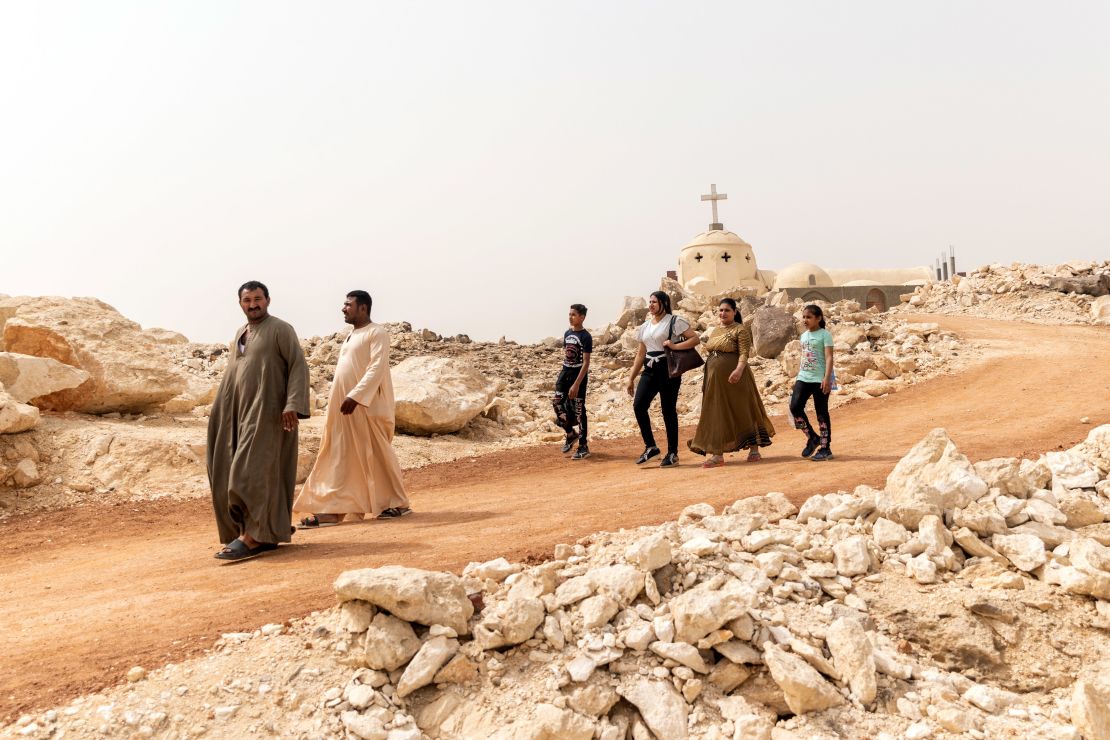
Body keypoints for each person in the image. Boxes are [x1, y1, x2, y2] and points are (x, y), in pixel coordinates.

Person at [208, 281, 310, 562]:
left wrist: (293, 404)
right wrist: (221, 412)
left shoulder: (280, 329)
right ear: (240, 303)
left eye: (257, 299)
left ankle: (253, 537)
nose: (253, 305)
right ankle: (259, 532)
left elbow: (298, 365)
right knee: (230, 469)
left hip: (270, 413)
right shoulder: (241, 332)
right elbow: (235, 374)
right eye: (247, 300)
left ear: (268, 300)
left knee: (250, 472)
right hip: (241, 413)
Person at [294, 291, 412, 525]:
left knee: (377, 453)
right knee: (341, 455)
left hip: (367, 407)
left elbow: (376, 367)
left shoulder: (376, 332)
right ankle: (335, 508)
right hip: (344, 409)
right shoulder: (352, 335)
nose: (343, 308)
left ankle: (397, 503)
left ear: (363, 308)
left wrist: (357, 396)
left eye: (348, 304)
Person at [688, 298, 776, 467]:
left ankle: (754, 449)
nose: (723, 313)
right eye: (720, 310)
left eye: (727, 310)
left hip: (736, 378)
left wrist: (738, 370)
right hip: (715, 381)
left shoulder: (740, 330)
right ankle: (717, 455)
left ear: (735, 312)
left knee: (744, 409)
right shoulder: (715, 331)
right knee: (716, 412)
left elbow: (744, 353)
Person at [625, 290, 700, 467]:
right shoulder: (645, 327)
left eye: (654, 302)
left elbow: (695, 339)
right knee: (639, 405)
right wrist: (630, 378)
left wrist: (675, 345)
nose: (650, 305)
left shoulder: (674, 321)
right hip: (650, 369)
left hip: (668, 369)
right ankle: (651, 447)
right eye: (650, 302)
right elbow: (640, 353)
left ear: (664, 304)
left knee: (668, 411)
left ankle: (673, 453)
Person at [790, 304, 834, 461]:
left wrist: (827, 378)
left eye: (808, 317)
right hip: (803, 377)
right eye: (803, 317)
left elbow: (829, 357)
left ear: (818, 318)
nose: (805, 320)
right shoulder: (804, 336)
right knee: (795, 407)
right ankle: (812, 437)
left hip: (820, 378)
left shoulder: (825, 335)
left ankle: (825, 448)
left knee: (821, 413)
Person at [552, 304, 592, 460]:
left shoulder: (586, 336)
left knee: (580, 409)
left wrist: (576, 384)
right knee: (556, 402)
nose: (570, 317)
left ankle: (583, 446)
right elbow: (567, 355)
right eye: (569, 314)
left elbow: (586, 362)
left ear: (582, 317)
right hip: (565, 372)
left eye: (574, 315)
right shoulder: (567, 333)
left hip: (578, 375)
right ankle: (570, 433)